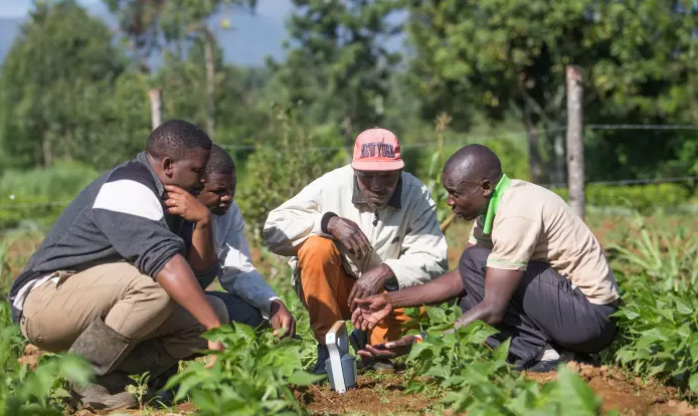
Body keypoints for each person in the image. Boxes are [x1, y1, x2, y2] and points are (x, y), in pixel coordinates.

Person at [8, 120, 230, 410]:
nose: (203, 180)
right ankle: (82, 376)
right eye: (198, 171)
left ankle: (113, 374)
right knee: (157, 285)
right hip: (45, 302)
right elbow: (165, 265)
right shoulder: (129, 186)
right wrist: (214, 330)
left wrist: (202, 224)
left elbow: (194, 283)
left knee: (214, 310)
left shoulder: (175, 200)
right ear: (168, 165)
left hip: (99, 302)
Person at [352, 144, 621, 372]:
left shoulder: (517, 212)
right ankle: (561, 353)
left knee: (476, 271)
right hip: (570, 311)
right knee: (470, 290)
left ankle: (543, 356)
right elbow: (460, 279)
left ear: (485, 187)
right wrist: (389, 300)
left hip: (591, 318)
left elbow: (492, 307)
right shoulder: (493, 206)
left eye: (456, 193)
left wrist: (425, 341)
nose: (450, 201)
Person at [263, 128, 448, 374]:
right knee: (316, 246)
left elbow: (434, 259)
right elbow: (274, 229)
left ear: (399, 171)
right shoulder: (332, 185)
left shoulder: (416, 195)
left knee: (417, 287)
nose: (377, 185)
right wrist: (327, 223)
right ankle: (330, 350)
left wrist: (386, 270)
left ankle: (376, 346)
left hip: (386, 298)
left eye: (386, 176)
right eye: (367, 175)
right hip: (337, 290)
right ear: (354, 170)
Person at [167, 144, 296, 335]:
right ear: (195, 188)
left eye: (232, 188)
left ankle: (230, 363)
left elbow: (237, 269)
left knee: (252, 317)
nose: (228, 197)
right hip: (159, 301)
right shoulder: (167, 211)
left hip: (197, 301)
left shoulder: (227, 212)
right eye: (218, 191)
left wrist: (272, 303)